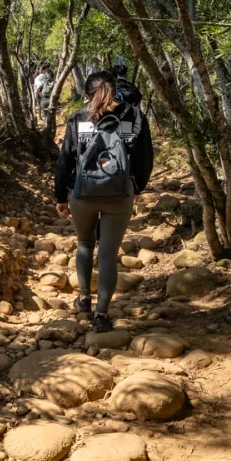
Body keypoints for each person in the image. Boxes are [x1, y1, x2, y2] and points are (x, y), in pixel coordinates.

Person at [54, 70, 154, 332]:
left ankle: (84, 300)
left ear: (87, 94)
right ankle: (101, 315)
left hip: (83, 194)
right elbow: (145, 159)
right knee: (108, 254)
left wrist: (60, 196)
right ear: (115, 89)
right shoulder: (134, 116)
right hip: (120, 195)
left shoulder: (79, 118)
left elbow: (65, 159)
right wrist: (136, 190)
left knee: (85, 244)